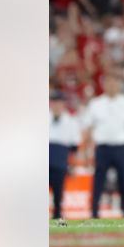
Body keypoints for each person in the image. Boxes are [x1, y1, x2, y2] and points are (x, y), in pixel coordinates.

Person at [83, 74, 124, 218]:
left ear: (119, 85)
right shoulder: (96, 104)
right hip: (102, 147)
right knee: (98, 182)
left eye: (115, 83)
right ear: (104, 85)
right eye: (109, 82)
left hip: (122, 147)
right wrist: (86, 150)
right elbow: (88, 128)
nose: (112, 86)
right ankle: (94, 214)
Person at [49, 92, 81, 221]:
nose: (57, 105)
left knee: (58, 193)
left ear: (63, 105)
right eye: (54, 102)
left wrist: (72, 165)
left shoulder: (71, 122)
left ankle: (58, 220)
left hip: (60, 160)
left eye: (59, 103)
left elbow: (74, 146)